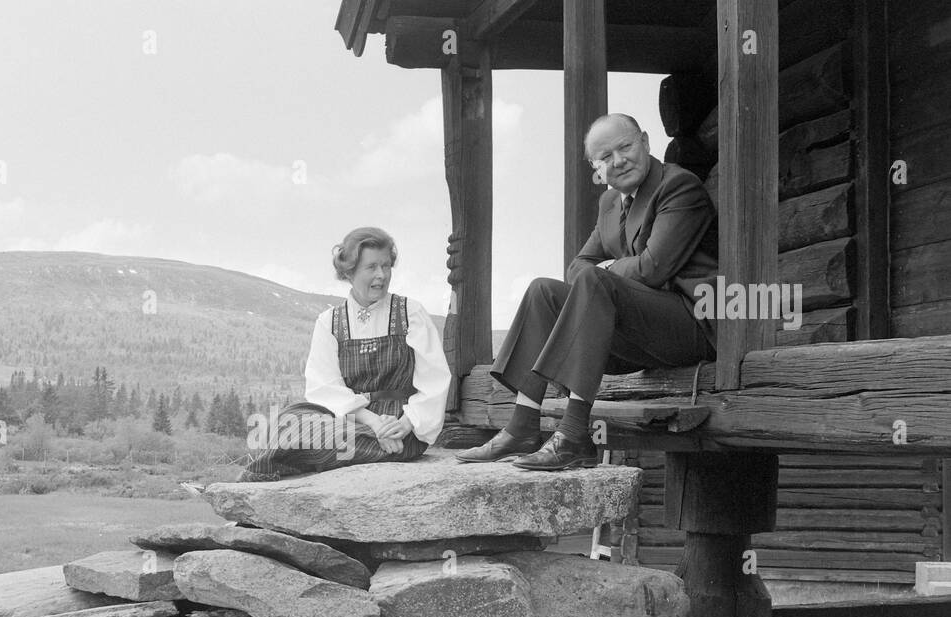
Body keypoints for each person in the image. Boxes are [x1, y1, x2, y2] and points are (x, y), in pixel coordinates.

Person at [456, 113, 719, 470]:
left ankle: (576, 433)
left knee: (596, 281)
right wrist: (603, 271)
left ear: (644, 140)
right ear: (596, 167)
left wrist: (606, 270)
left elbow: (653, 268)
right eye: (606, 157)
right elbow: (578, 265)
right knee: (542, 292)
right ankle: (521, 426)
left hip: (692, 322)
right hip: (643, 332)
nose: (619, 161)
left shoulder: (679, 186)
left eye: (625, 147)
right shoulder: (610, 204)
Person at [236, 227, 451, 482]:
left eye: (386, 266)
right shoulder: (329, 322)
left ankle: (297, 460)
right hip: (352, 423)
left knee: (317, 439)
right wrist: (372, 422)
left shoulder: (410, 313)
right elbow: (323, 387)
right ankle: (339, 449)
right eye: (371, 267)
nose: (381, 275)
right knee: (286, 422)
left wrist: (403, 425)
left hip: (400, 429)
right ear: (349, 272)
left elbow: (434, 381)